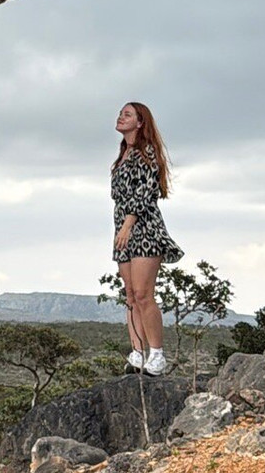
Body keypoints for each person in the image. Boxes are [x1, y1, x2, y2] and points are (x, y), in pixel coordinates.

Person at [111, 101, 183, 376]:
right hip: (122, 230)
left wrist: (129, 224)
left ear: (140, 123)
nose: (120, 117)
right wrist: (122, 228)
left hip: (143, 228)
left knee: (143, 294)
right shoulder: (122, 156)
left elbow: (147, 191)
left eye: (127, 114)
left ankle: (157, 354)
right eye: (120, 113)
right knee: (129, 294)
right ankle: (138, 352)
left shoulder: (147, 153)